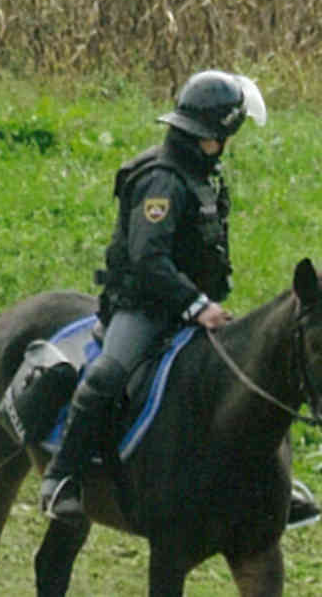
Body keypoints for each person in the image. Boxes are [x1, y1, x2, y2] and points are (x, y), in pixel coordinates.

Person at [40, 71, 266, 522]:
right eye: (224, 136)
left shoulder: (203, 175)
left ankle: (266, 484)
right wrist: (195, 305)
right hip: (145, 307)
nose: (225, 144)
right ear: (209, 134)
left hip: (193, 307)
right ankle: (61, 477)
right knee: (106, 376)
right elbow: (149, 260)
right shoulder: (162, 182)